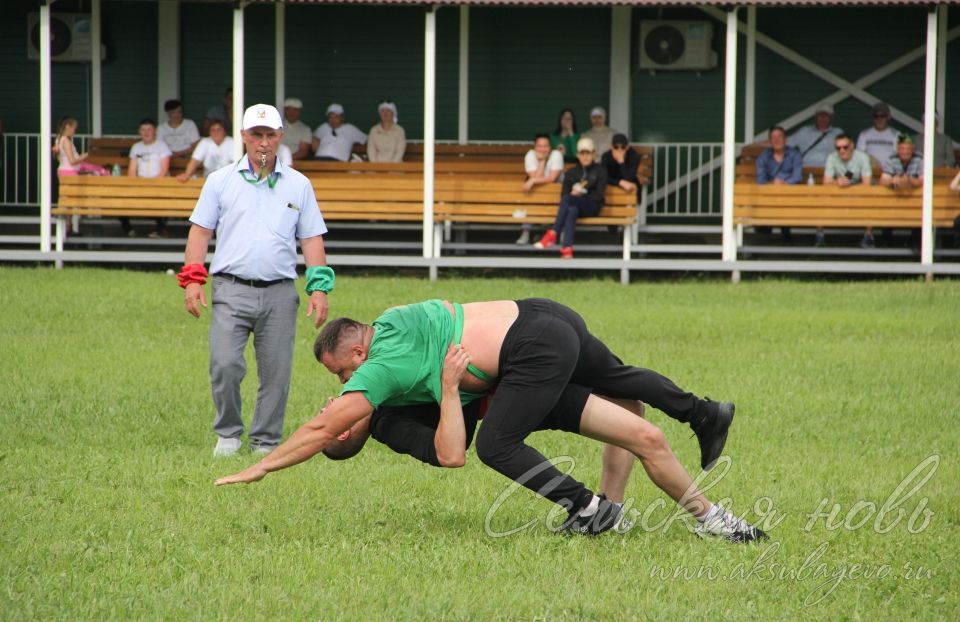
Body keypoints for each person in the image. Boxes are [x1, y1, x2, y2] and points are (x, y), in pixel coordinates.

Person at [217, 298, 763, 543]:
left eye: (340, 379)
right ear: (348, 433)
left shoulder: (379, 370)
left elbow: (317, 431)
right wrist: (451, 389)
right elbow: (447, 451)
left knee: (498, 445)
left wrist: (260, 469)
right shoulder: (385, 382)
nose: (339, 396)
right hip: (535, 327)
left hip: (528, 355)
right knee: (637, 420)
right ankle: (713, 515)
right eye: (340, 402)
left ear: (357, 354)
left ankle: (595, 510)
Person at [178, 103, 334, 456]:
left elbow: (311, 239)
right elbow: (200, 232)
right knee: (225, 364)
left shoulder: (299, 184)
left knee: (276, 373)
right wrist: (192, 280)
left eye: (270, 135)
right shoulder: (219, 181)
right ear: (244, 137)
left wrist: (319, 287)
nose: (263, 143)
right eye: (256, 135)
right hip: (231, 289)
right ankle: (229, 434)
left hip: (280, 293)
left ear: (280, 137)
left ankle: (265, 441)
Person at [322, 380, 640, 514]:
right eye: (327, 412)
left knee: (630, 405)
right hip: (511, 394)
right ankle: (604, 510)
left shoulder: (374, 391)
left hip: (511, 377)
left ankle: (610, 509)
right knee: (628, 407)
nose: (330, 401)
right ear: (342, 434)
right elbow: (446, 451)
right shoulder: (387, 424)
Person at [534, 137, 607, 259]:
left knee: (569, 200)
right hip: (574, 205)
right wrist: (574, 195)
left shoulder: (601, 171)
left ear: (593, 154)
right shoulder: (572, 172)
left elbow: (599, 195)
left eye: (588, 153)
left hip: (592, 206)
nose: (585, 157)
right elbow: (564, 195)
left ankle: (553, 232)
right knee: (571, 209)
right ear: (578, 155)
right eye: (582, 153)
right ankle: (567, 249)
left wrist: (582, 194)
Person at [821, 134, 874, 247]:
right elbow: (826, 183)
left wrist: (849, 189)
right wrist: (836, 182)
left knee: (871, 198)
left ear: (852, 146)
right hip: (838, 196)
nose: (842, 150)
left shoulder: (862, 157)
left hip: (859, 196)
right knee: (820, 197)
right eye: (838, 148)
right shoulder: (832, 157)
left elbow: (867, 184)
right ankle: (819, 236)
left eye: (845, 147)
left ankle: (868, 236)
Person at [755, 125, 803, 243]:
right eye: (773, 137)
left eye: (779, 137)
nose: (776, 140)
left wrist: (783, 183)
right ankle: (779, 234)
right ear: (770, 141)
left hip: (791, 195)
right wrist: (773, 185)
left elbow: (797, 177)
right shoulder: (763, 157)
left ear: (785, 139)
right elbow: (760, 181)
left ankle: (774, 233)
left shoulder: (794, 154)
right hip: (770, 195)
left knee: (783, 199)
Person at [127, 118, 172, 238]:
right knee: (120, 198)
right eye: (143, 130)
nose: (146, 132)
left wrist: (153, 184)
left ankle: (160, 228)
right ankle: (128, 229)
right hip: (140, 184)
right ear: (139, 132)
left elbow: (164, 170)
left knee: (158, 199)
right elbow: (132, 171)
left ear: (155, 131)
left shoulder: (162, 146)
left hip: (159, 185)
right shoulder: (136, 147)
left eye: (149, 129)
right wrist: (135, 184)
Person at [515, 134, 564, 245]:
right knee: (531, 196)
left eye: (546, 146)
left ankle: (555, 234)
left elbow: (552, 179)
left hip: (555, 190)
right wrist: (542, 161)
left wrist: (532, 181)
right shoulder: (530, 155)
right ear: (534, 147)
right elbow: (535, 178)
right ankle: (526, 231)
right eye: (539, 146)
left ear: (550, 147)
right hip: (538, 190)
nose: (542, 149)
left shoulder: (556, 154)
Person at [790, 103, 843, 168]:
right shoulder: (804, 131)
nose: (823, 118)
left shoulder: (837, 133)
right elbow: (785, 144)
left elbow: (848, 154)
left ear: (831, 118)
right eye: (820, 115)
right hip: (806, 169)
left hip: (829, 170)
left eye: (826, 116)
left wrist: (846, 176)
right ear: (815, 117)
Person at [856, 102, 898, 167]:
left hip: (890, 173)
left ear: (888, 117)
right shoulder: (864, 134)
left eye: (882, 116)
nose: (879, 119)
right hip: (870, 172)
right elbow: (859, 155)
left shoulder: (897, 134)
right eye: (876, 116)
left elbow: (899, 156)